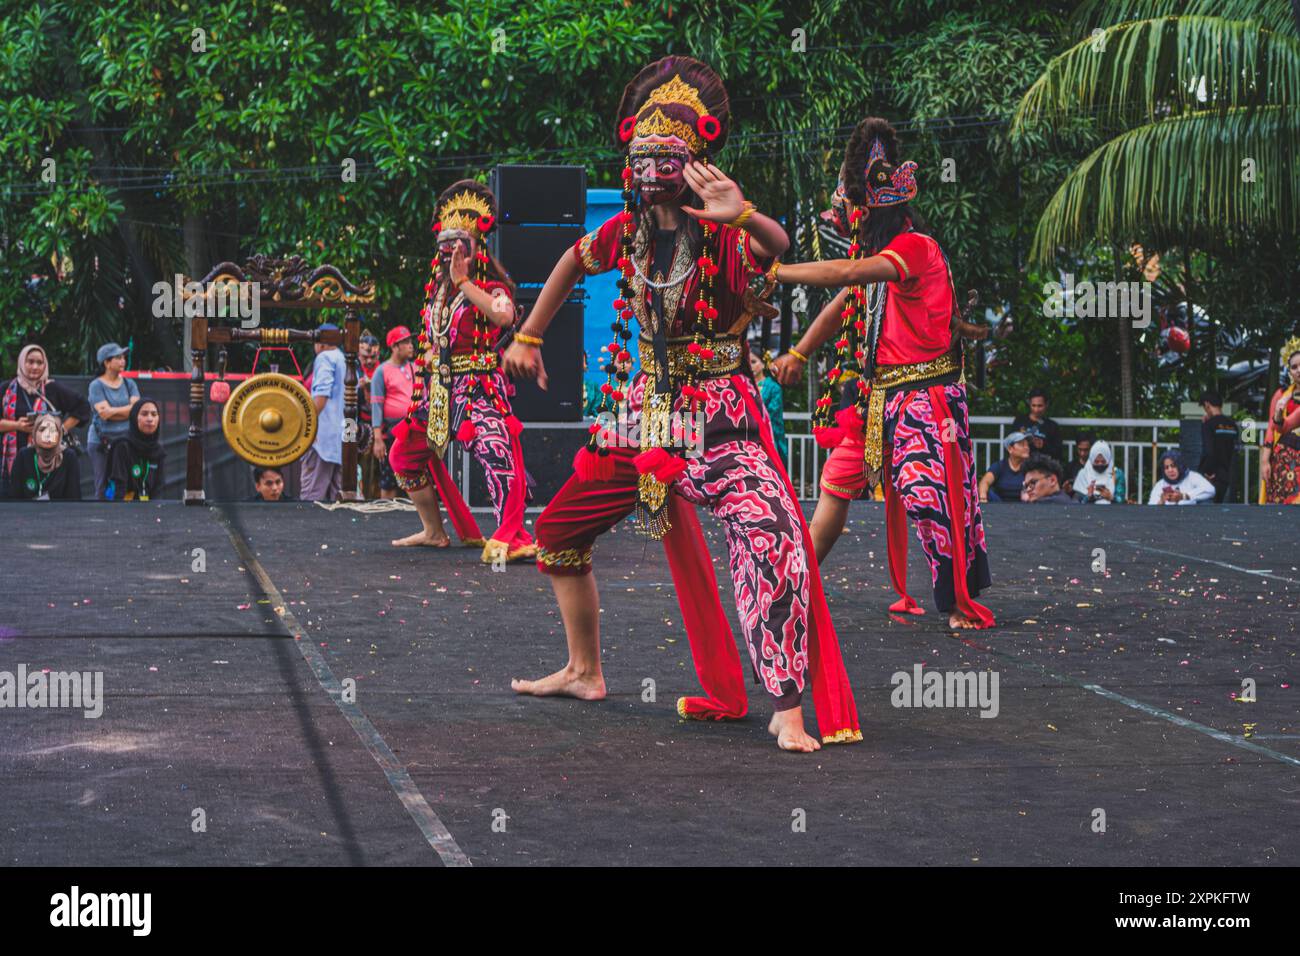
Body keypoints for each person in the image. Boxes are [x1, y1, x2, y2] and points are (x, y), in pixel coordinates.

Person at [503, 56, 861, 751]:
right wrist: (527, 334)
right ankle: (584, 670)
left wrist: (747, 213)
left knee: (773, 539)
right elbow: (573, 260)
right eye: (641, 153)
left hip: (718, 414)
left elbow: (778, 252)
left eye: (667, 154)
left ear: (696, 160)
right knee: (557, 533)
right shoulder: (626, 233)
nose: (650, 166)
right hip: (640, 414)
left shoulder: (727, 231)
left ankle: (786, 705)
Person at [769, 116, 993, 630]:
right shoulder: (879, 258)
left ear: (871, 215)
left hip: (925, 400)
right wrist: (799, 354)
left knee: (927, 499)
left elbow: (846, 274)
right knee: (834, 487)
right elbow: (844, 299)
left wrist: (777, 273)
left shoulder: (913, 249)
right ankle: (791, 589)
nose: (847, 224)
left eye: (850, 215)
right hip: (879, 402)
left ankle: (958, 601)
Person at [388, 180, 534, 564]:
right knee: (403, 453)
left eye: (458, 246)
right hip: (436, 392)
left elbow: (503, 316)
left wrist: (465, 283)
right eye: (444, 246)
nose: (448, 253)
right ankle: (434, 531)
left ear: (475, 249)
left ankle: (510, 537)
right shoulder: (437, 292)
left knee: (495, 453)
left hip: (477, 389)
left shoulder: (489, 286)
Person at [1, 344, 91, 497]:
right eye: (30, 361)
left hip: (48, 463)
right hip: (12, 459)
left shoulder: (52, 389)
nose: (35, 367)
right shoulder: (6, 389)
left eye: (39, 362)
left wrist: (59, 429)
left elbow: (83, 407)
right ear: (22, 362)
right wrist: (17, 426)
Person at [299, 324, 347, 502]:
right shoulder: (343, 358)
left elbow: (321, 397)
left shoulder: (325, 357)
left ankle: (307, 531)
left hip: (321, 437)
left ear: (320, 343)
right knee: (337, 498)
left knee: (312, 497)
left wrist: (305, 425)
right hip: (339, 438)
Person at [87, 341, 140, 499]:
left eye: (123, 357)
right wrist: (126, 410)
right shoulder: (96, 385)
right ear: (107, 363)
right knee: (102, 485)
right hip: (101, 442)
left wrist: (113, 411)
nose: (123, 360)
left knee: (126, 483)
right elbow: (103, 414)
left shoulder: (130, 383)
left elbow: (137, 409)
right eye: (118, 357)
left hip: (125, 441)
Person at [369, 326, 416, 501]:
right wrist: (378, 438)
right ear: (395, 347)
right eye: (406, 342)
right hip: (392, 430)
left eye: (411, 342)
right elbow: (376, 405)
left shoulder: (415, 367)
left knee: (414, 475)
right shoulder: (382, 371)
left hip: (413, 427)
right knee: (388, 479)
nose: (411, 346)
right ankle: (386, 515)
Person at [1261, 338, 1300, 505]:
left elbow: (1284, 425)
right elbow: (1272, 429)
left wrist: (1279, 418)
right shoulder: (1281, 395)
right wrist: (1264, 460)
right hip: (1283, 461)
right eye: (1294, 367)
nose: (1299, 370)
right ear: (1290, 372)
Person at [6, 413, 81, 500]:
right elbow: (14, 497)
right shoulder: (24, 455)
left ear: (59, 434)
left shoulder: (68, 457)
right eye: (42, 430)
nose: (47, 435)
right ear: (34, 433)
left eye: (52, 430)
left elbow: (74, 498)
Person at [104, 399, 164, 501]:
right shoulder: (122, 446)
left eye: (154, 414)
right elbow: (119, 487)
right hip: (124, 508)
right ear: (134, 418)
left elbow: (158, 489)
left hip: (149, 509)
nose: (150, 419)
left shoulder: (158, 450)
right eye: (144, 414)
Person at [1197, 389, 1238, 503]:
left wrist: (1208, 472)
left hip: (1210, 477)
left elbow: (1208, 451)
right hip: (1226, 475)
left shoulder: (1208, 425)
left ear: (1207, 404)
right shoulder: (1233, 425)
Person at [749, 345, 787, 465]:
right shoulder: (743, 385)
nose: (751, 366)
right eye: (748, 362)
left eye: (754, 362)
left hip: (767, 435)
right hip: (746, 437)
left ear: (763, 363)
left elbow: (774, 413)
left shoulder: (773, 387)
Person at [357, 333, 382, 499]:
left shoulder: (383, 370)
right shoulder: (353, 369)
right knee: (354, 466)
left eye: (373, 357)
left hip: (379, 427)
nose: (369, 361)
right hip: (355, 425)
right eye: (365, 357)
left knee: (378, 471)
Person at [1012, 388, 1063, 463]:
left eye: (1040, 406)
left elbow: (1058, 453)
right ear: (1029, 404)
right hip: (1022, 464)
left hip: (1044, 466)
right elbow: (1010, 444)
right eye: (1033, 405)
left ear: (1046, 404)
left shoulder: (1052, 426)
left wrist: (1043, 445)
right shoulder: (1020, 421)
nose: (1036, 410)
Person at [1148, 450, 1215, 505]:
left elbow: (1210, 490)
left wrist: (1184, 496)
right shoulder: (1160, 484)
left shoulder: (1191, 476)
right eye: (1166, 467)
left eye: (1173, 466)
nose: (1170, 470)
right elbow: (1150, 508)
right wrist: (1161, 502)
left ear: (1180, 466)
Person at [979, 432, 1031, 503]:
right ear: (1010, 449)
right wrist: (983, 498)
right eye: (1022, 444)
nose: (1026, 447)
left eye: (1027, 445)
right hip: (1000, 506)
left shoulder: (1030, 467)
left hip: (1026, 507)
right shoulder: (1000, 466)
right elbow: (985, 482)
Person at [1071, 439, 1125, 504]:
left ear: (1108, 460)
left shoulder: (1117, 474)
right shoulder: (1084, 474)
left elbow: (1121, 501)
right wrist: (1089, 496)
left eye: (1103, 461)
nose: (1100, 464)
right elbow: (1077, 504)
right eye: (1096, 461)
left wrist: (1111, 498)